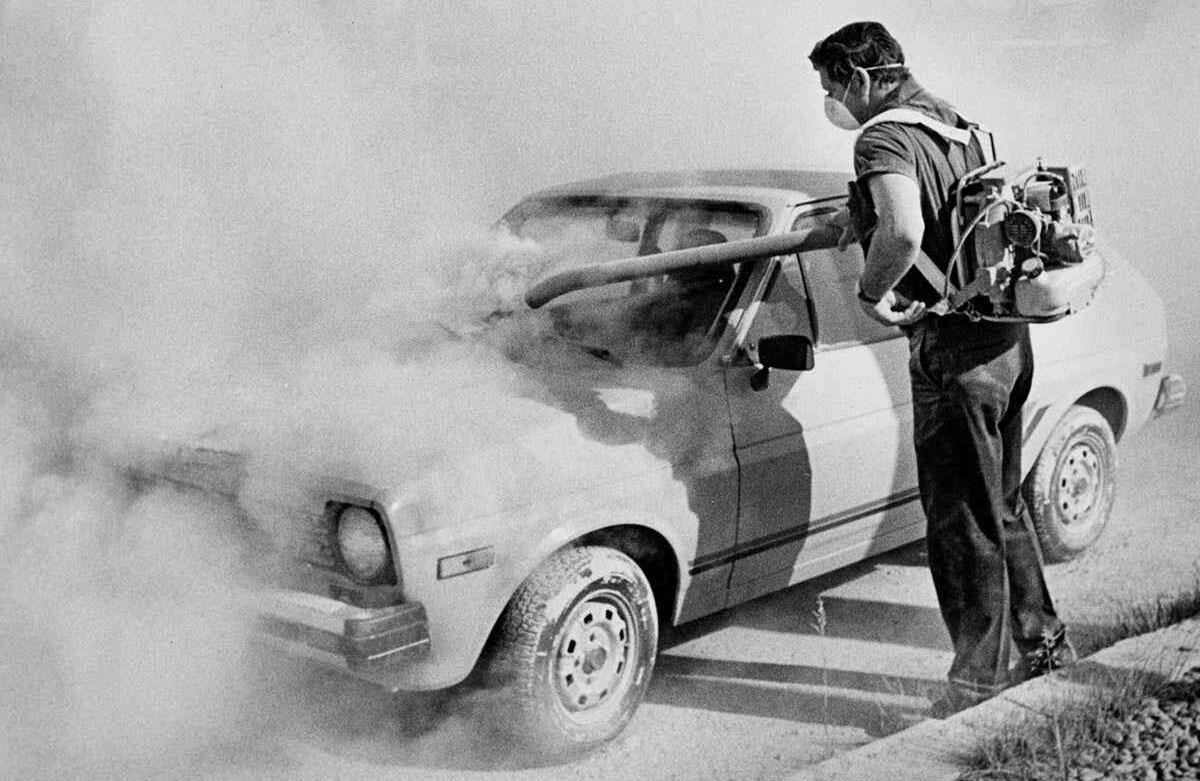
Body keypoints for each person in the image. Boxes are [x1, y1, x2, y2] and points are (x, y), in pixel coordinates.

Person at [808, 21, 1075, 716]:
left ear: (859, 79)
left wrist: (871, 293)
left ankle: (976, 684)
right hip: (1006, 339)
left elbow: (903, 230)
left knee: (960, 519)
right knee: (1002, 502)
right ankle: (1043, 642)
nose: (832, 101)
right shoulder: (958, 123)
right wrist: (853, 214)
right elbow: (940, 208)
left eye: (831, 85)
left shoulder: (881, 137)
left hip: (953, 348)